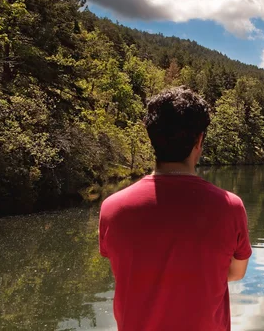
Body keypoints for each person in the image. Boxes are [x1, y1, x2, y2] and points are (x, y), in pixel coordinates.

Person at [99, 87, 252, 331]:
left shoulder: (113, 209)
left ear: (151, 138)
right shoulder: (230, 207)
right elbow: (235, 272)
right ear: (199, 140)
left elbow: (127, 270)